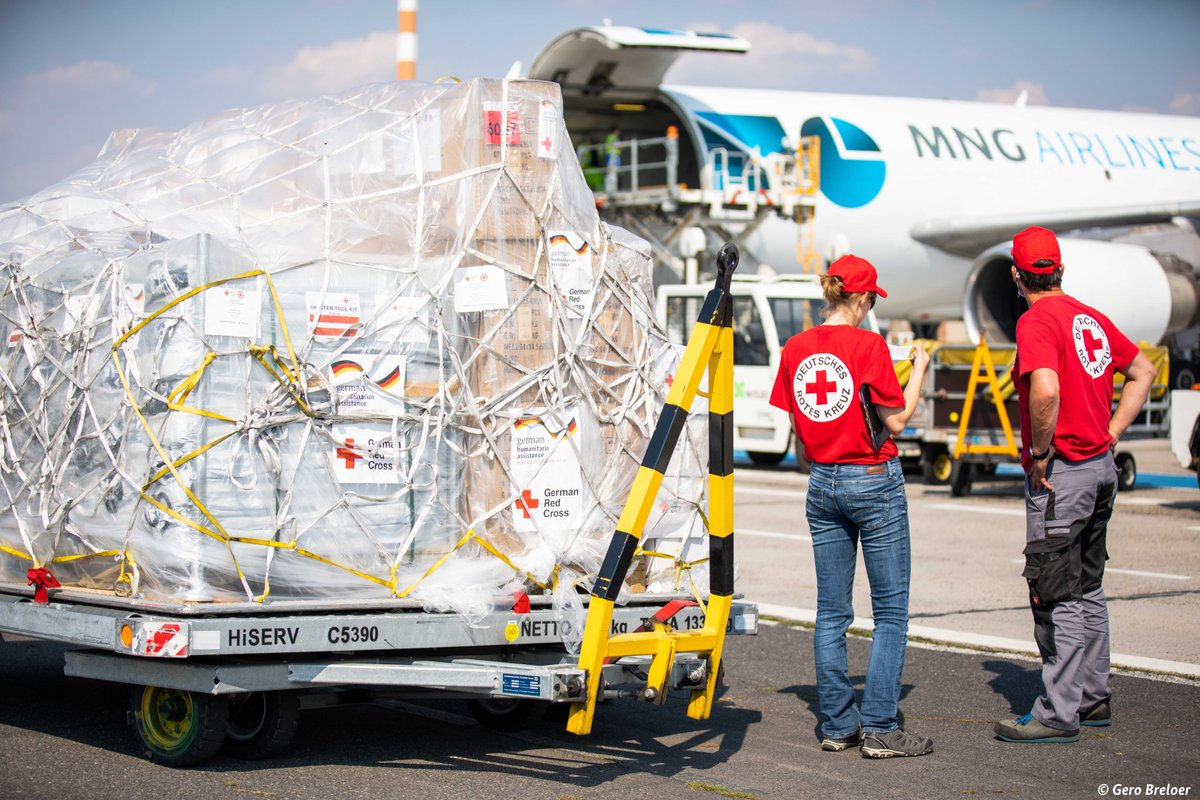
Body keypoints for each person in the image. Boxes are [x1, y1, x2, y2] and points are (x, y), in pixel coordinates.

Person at [993, 226, 1155, 743]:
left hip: (1062, 473)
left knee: (1054, 590)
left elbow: (1045, 390)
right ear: (1060, 268)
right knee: (1087, 584)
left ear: (1017, 275)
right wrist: (1111, 432)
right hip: (1101, 469)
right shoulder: (1090, 316)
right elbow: (1144, 371)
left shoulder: (1036, 320)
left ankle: (1058, 713)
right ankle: (1093, 696)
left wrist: (1041, 452)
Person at [769, 254, 933, 758]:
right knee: (890, 611)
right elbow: (899, 421)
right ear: (861, 298)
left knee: (831, 612)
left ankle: (838, 724)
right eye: (870, 301)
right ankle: (882, 725)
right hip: (873, 478)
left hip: (822, 483)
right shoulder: (870, 345)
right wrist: (919, 369)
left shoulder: (796, 348)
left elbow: (799, 426)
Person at [603, 125, 621, 193]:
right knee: (612, 172)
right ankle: (611, 190)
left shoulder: (610, 137)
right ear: (615, 131)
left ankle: (610, 189)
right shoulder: (613, 137)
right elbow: (618, 145)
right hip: (613, 156)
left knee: (611, 173)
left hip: (611, 156)